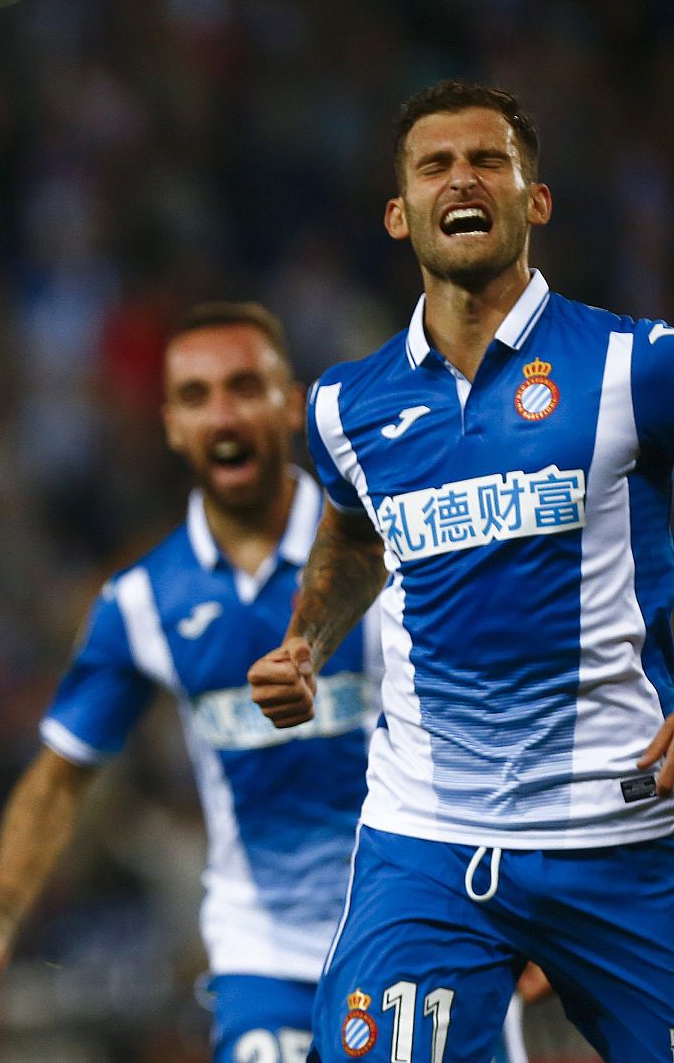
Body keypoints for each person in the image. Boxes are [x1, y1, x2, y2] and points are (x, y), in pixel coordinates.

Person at [0, 304, 526, 1062]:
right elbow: (58, 778)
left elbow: (503, 709)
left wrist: (534, 900)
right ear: (172, 426)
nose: (222, 415)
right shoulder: (143, 602)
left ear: (293, 405)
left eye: (244, 387)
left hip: (427, 926)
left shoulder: (393, 549)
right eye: (196, 396)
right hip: (264, 953)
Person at [249, 80, 674, 1062]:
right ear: (399, 214)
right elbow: (357, 534)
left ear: (535, 200)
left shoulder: (636, 366)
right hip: (427, 836)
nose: (462, 178)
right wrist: (306, 640)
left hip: (622, 826)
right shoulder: (344, 406)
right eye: (434, 165)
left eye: (488, 160)